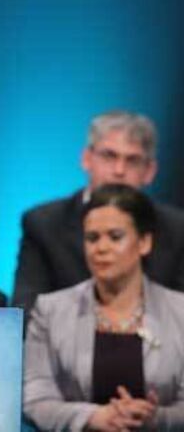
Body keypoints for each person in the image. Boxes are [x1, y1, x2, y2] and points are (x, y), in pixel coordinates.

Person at [23, 184, 184, 431]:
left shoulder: (180, 312)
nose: (101, 248)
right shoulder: (50, 311)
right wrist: (93, 417)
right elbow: (36, 399)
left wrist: (155, 418)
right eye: (92, 238)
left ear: (144, 242)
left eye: (115, 237)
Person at [14, 111, 184, 313]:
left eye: (132, 160)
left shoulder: (177, 229)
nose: (119, 170)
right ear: (86, 159)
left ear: (149, 171)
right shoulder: (44, 223)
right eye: (109, 156)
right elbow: (26, 309)